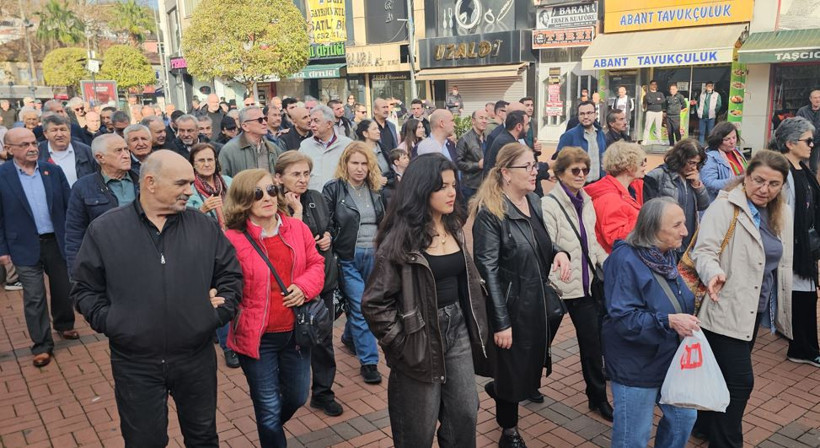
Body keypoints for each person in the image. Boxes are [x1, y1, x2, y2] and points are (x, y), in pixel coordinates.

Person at [73, 150, 243, 447]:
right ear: (150, 182)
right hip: (135, 363)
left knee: (203, 438)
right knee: (144, 441)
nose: (189, 190)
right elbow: (85, 288)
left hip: (195, 358)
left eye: (190, 182)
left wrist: (217, 313)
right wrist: (113, 322)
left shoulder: (203, 226)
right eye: (181, 183)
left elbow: (231, 275)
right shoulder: (106, 229)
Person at [363, 154, 489, 447]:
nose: (451, 192)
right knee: (418, 429)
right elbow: (374, 303)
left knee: (465, 413)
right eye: (442, 187)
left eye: (453, 185)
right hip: (418, 335)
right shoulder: (399, 239)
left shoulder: (454, 226)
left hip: (456, 328)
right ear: (421, 190)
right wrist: (400, 342)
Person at [472, 143, 571, 448]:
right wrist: (501, 322)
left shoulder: (534, 201)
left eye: (535, 165)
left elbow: (541, 241)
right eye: (527, 166)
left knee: (527, 362)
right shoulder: (491, 213)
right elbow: (487, 272)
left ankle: (501, 390)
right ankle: (509, 431)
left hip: (536, 301)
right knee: (511, 370)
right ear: (505, 173)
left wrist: (559, 252)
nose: (535, 171)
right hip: (511, 305)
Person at [693, 150, 792, 448]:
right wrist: (713, 273)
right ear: (746, 177)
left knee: (722, 375)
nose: (764, 189)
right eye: (759, 180)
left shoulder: (779, 212)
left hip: (753, 310)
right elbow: (704, 251)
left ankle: (703, 426)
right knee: (740, 383)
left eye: (773, 184)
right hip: (723, 306)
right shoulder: (725, 207)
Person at [222, 168, 325, 447]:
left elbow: (316, 264)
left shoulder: (297, 228)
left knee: (297, 396)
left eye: (271, 190)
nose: (267, 197)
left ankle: (269, 425)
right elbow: (222, 282)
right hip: (257, 337)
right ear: (243, 199)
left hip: (296, 332)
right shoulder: (232, 239)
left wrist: (303, 287)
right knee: (267, 409)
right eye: (257, 193)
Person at [603, 197, 700, 448]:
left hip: (668, 357)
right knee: (634, 436)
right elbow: (624, 319)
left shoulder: (665, 254)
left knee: (684, 417)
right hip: (636, 364)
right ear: (653, 229)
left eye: (684, 223)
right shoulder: (625, 260)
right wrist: (668, 321)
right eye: (676, 225)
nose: (685, 231)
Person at [541, 147, 612, 421]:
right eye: (575, 170)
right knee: (540, 343)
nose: (581, 174)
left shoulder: (587, 200)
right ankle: (526, 384)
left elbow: (591, 242)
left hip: (585, 287)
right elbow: (548, 247)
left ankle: (598, 398)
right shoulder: (549, 204)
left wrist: (609, 264)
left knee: (592, 346)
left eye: (585, 170)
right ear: (560, 173)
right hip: (559, 286)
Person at [273, 151, 343, 417]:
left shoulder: (315, 197)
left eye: (306, 174)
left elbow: (330, 225)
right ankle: (285, 393)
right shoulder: (272, 203)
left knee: (323, 340)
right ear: (279, 177)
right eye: (296, 174)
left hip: (321, 281)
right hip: (290, 289)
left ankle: (323, 393)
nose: (303, 179)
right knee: (290, 342)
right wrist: (298, 213)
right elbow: (287, 245)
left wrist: (328, 237)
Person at [0, 128, 76, 368]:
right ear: (9, 149)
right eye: (24, 145)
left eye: (33, 143)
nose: (32, 148)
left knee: (63, 288)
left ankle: (64, 324)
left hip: (56, 241)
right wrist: (2, 250)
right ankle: (42, 345)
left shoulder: (52, 171)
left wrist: (73, 236)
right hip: (23, 245)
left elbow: (70, 206)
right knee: (34, 297)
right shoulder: (2, 176)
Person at [322, 142, 385, 384]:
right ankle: (369, 362)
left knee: (367, 304)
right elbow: (326, 222)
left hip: (374, 256)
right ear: (345, 164)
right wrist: (328, 237)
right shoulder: (334, 189)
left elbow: (386, 221)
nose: (359, 168)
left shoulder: (376, 189)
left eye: (364, 164)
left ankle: (350, 337)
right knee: (359, 307)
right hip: (348, 257)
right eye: (354, 163)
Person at [772, 117, 820, 367]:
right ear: (790, 143)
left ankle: (806, 346)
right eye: (808, 141)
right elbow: (779, 214)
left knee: (807, 296)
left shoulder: (803, 169)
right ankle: (801, 348)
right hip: (793, 247)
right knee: (801, 298)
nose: (812, 145)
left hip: (805, 246)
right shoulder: (782, 172)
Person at [65, 134, 139, 273]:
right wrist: (76, 274)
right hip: (106, 262)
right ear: (100, 158)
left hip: (143, 256)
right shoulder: (83, 187)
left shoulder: (143, 181)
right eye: (118, 151)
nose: (126, 155)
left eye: (126, 149)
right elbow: (75, 233)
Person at [643, 138, 710, 255]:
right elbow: (649, 211)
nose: (694, 167)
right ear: (680, 159)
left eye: (697, 164)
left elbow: (703, 205)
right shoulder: (659, 175)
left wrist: (698, 186)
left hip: (686, 241)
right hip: (666, 243)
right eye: (691, 163)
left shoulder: (692, 177)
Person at [585, 141, 647, 253]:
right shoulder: (610, 198)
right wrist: (645, 221)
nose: (644, 165)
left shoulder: (626, 189)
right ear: (628, 166)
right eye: (641, 162)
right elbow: (614, 237)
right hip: (617, 257)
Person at [219, 106, 284, 177]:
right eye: (260, 120)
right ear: (245, 126)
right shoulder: (229, 151)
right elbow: (222, 180)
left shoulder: (273, 148)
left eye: (265, 119)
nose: (265, 122)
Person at [38, 114, 97, 186]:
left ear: (70, 131)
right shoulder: (38, 153)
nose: (59, 134)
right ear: (45, 134)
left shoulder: (85, 151)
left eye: (63, 129)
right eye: (54, 130)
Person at [556, 101, 608, 183]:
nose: (585, 117)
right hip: (578, 184)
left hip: (598, 183)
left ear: (595, 115)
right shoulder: (569, 136)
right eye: (582, 114)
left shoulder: (601, 134)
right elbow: (559, 162)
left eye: (589, 113)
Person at [187, 143, 232, 230]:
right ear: (193, 164)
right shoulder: (189, 192)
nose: (207, 164)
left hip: (234, 233)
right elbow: (188, 224)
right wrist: (202, 211)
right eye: (201, 160)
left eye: (210, 160)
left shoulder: (230, 182)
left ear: (215, 161)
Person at [701, 122, 748, 200]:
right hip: (721, 201)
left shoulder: (737, 152)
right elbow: (710, 183)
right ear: (718, 140)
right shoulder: (710, 158)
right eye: (727, 139)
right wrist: (739, 179)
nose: (732, 142)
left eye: (734, 137)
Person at [456, 109, 488, 200]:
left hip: (485, 185)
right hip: (470, 186)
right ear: (473, 121)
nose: (484, 121)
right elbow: (458, 163)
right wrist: (477, 165)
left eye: (486, 118)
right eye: (481, 118)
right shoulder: (464, 139)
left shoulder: (488, 138)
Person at [354, 119, 391, 188]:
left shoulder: (383, 149)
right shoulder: (359, 152)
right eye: (374, 129)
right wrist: (374, 180)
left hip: (387, 188)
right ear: (365, 133)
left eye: (378, 129)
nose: (378, 131)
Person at [795, 89, 820, 171]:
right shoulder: (802, 111)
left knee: (814, 167)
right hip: (804, 141)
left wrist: (816, 141)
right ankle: (801, 178)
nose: (817, 100)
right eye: (815, 98)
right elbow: (797, 126)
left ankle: (812, 179)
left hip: (818, 143)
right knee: (800, 164)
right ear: (810, 99)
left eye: (819, 97)